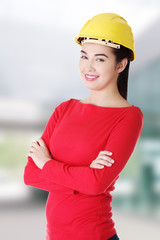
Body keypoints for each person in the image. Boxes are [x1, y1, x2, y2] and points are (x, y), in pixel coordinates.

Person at [24, 13, 143, 240]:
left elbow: (97, 183)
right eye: (84, 56)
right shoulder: (64, 109)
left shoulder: (128, 116)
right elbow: (31, 174)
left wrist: (48, 164)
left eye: (99, 59)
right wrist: (84, 176)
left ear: (120, 64)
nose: (88, 66)